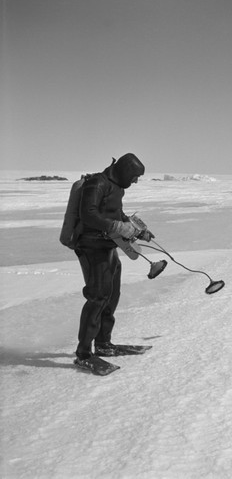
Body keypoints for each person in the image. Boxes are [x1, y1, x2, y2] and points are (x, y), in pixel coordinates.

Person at [73, 153, 153, 369]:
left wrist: (137, 229)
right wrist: (117, 227)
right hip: (91, 247)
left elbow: (116, 213)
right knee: (98, 297)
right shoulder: (97, 182)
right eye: (135, 176)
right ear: (126, 170)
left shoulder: (117, 187)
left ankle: (103, 343)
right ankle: (83, 354)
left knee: (112, 295)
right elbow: (87, 214)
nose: (136, 181)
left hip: (107, 247)